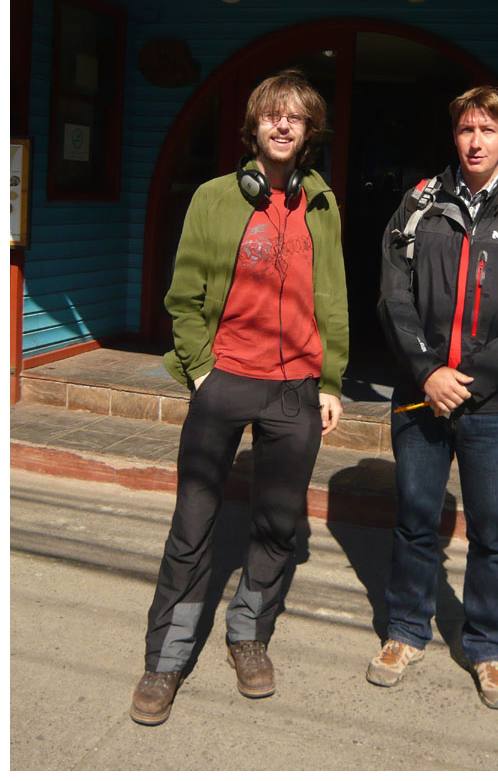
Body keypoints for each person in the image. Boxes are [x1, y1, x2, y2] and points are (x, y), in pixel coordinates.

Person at [131, 69, 348, 725]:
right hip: (224, 381)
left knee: (278, 524)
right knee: (192, 528)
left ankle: (247, 636)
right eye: (271, 116)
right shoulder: (213, 198)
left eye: (296, 118)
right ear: (253, 126)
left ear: (308, 132)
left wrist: (331, 379)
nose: (282, 126)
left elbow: (331, 294)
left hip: (295, 390)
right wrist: (200, 371)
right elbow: (185, 294)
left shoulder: (321, 202)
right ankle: (165, 661)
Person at [367, 85, 498, 709]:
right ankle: (405, 631)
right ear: (454, 136)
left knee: (489, 531)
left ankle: (486, 646)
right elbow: (391, 297)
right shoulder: (420, 203)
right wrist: (428, 372)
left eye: (488, 130)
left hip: (494, 407)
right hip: (421, 396)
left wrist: (469, 380)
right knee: (415, 520)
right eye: (465, 129)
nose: (475, 140)